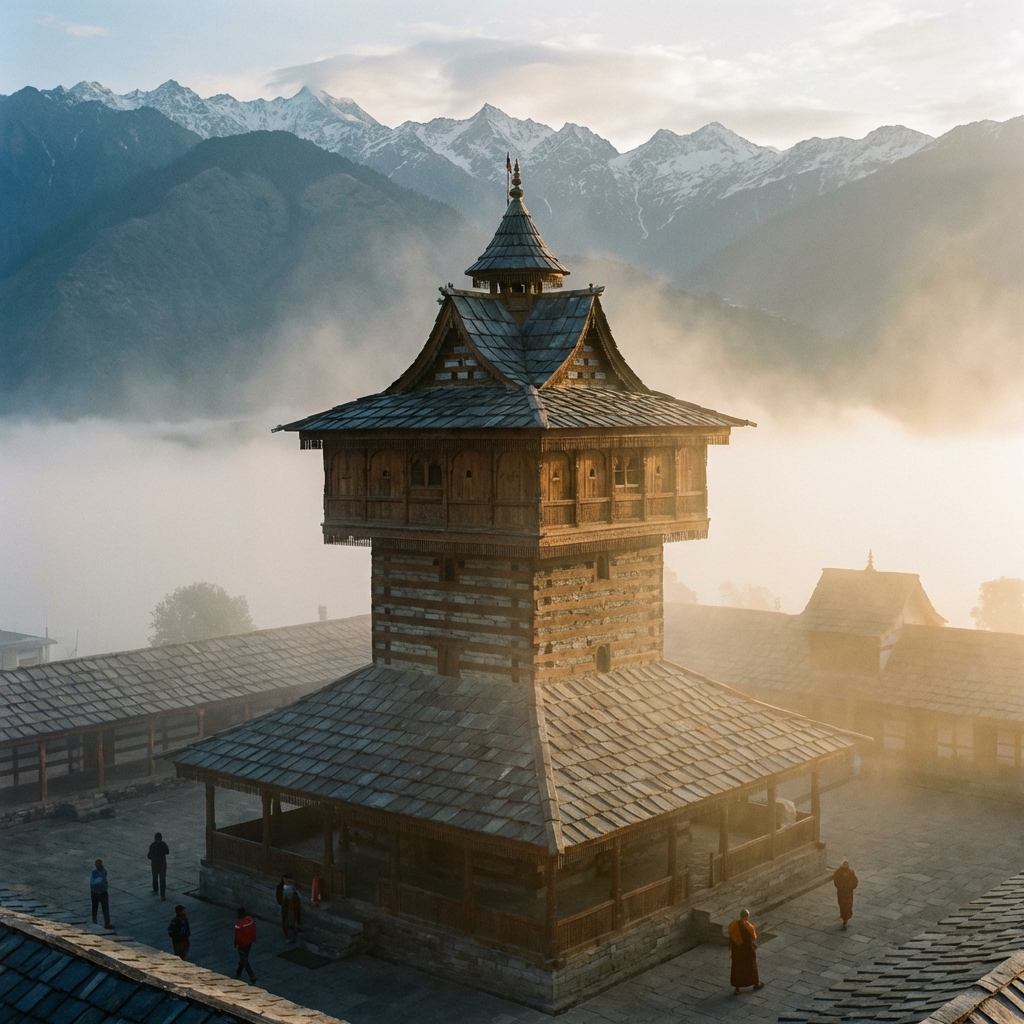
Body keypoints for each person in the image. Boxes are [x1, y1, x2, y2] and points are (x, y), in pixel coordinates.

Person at [728, 909, 764, 994]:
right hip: (747, 952)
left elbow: (731, 937)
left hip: (737, 952)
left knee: (737, 969)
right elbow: (752, 938)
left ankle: (737, 989)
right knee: (751, 968)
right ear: (747, 917)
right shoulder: (749, 926)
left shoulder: (733, 925)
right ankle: (756, 984)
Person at [234, 906, 258, 985]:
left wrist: (236, 943)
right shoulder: (250, 920)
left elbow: (237, 936)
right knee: (243, 958)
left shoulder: (239, 923)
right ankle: (238, 972)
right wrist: (254, 938)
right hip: (249, 942)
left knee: (244, 959)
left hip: (242, 944)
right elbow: (253, 930)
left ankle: (252, 976)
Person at [90, 859, 115, 930]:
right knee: (99, 908)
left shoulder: (102, 871)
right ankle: (99, 922)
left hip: (98, 892)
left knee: (102, 908)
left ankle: (104, 923)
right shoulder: (97, 872)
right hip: (99, 892)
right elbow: (98, 881)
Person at [834, 860, 859, 929]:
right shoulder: (841, 872)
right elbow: (855, 881)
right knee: (846, 905)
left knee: (844, 905)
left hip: (844, 892)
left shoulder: (839, 872)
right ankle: (845, 918)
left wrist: (843, 888)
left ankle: (845, 919)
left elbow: (836, 882)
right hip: (846, 892)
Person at [275, 875, 302, 941]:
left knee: (294, 918)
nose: (286, 881)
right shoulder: (280, 887)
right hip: (285, 906)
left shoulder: (293, 887)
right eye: (285, 880)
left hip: (293, 905)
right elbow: (279, 898)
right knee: (286, 919)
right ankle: (287, 933)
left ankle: (295, 930)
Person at [148, 832, 170, 900]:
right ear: (161, 838)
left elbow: (149, 856)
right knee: (162, 879)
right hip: (162, 864)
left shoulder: (152, 845)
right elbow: (167, 852)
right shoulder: (163, 844)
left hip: (154, 864)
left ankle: (155, 890)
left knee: (155, 877)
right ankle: (162, 895)